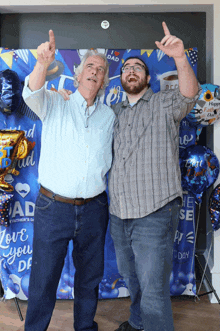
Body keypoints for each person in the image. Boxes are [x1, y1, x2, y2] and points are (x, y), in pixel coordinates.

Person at [58, 21, 201, 331]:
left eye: (138, 67)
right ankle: (138, 323)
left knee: (153, 289)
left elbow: (190, 93)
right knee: (133, 279)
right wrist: (68, 102)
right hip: (120, 214)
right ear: (119, 79)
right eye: (126, 69)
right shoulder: (113, 113)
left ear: (147, 78)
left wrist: (179, 57)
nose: (131, 71)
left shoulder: (164, 102)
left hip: (155, 211)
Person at [22, 30, 115, 331]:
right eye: (90, 66)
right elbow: (30, 93)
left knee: (90, 278)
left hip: (94, 209)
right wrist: (41, 64)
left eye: (100, 70)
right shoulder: (54, 102)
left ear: (103, 82)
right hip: (54, 208)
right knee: (44, 279)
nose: (95, 72)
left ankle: (85, 327)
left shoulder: (110, 117)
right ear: (77, 76)